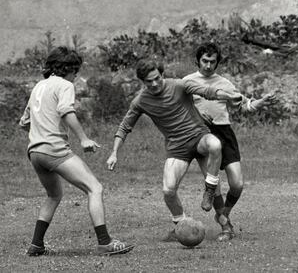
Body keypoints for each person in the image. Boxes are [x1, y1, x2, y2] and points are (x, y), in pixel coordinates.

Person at [106, 59, 243, 239]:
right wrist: (114, 152)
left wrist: (226, 95)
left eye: (157, 78)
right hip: (177, 147)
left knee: (215, 145)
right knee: (168, 191)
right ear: (142, 82)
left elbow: (206, 91)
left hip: (198, 136)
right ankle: (180, 225)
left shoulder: (180, 85)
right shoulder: (140, 101)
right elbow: (124, 127)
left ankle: (223, 221)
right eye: (149, 81)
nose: (154, 84)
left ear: (162, 74)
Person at [19, 46, 134, 256]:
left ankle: (36, 244)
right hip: (54, 150)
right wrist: (84, 139)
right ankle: (105, 242)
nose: (75, 76)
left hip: (35, 152)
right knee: (95, 188)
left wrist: (42, 128)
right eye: (75, 71)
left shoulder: (38, 86)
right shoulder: (64, 85)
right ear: (68, 69)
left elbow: (24, 122)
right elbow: (66, 111)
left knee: (54, 195)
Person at [183, 42, 277, 241]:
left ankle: (223, 214)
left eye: (212, 62)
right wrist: (196, 119)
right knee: (214, 184)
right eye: (205, 61)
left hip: (224, 133)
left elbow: (243, 105)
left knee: (237, 184)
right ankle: (227, 227)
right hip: (202, 134)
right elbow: (179, 109)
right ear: (197, 61)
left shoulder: (225, 83)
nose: (208, 65)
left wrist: (258, 103)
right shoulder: (187, 82)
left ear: (217, 63)